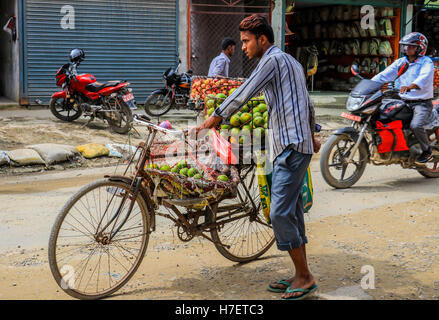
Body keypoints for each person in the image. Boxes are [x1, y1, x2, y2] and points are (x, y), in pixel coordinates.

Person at [189, 14, 320, 300]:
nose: (244, 47)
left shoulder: (271, 61)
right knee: (293, 211)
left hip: (290, 146)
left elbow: (246, 92)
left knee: (280, 213)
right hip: (296, 143)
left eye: (247, 41)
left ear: (262, 39)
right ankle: (300, 273)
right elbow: (306, 102)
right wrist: (314, 131)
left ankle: (306, 277)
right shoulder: (292, 62)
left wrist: (215, 116)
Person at [372, 32, 435, 164]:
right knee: (383, 116)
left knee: (416, 125)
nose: (406, 49)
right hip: (403, 101)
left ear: (420, 48)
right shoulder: (401, 62)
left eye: (410, 47)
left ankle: (427, 151)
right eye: (405, 46)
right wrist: (370, 84)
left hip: (421, 104)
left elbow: (424, 77)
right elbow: (384, 75)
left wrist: (411, 86)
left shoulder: (426, 62)